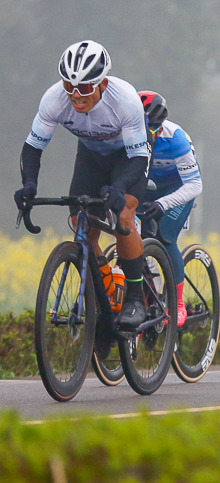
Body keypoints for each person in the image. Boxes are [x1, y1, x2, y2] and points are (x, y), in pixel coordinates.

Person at [15, 40, 151, 329]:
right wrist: (29, 185)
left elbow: (138, 157)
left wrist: (120, 186)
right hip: (91, 155)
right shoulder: (54, 99)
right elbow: (33, 148)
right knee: (81, 221)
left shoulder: (124, 99)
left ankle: (136, 298)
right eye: (69, 86)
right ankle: (104, 282)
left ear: (101, 84)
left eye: (85, 88)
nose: (76, 95)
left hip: (128, 157)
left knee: (124, 216)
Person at [138, 92, 203, 324]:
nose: (147, 136)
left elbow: (195, 185)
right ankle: (146, 295)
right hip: (149, 186)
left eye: (152, 130)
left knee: (165, 237)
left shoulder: (175, 138)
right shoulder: (126, 134)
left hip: (179, 188)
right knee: (132, 235)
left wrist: (163, 203)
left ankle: (177, 304)